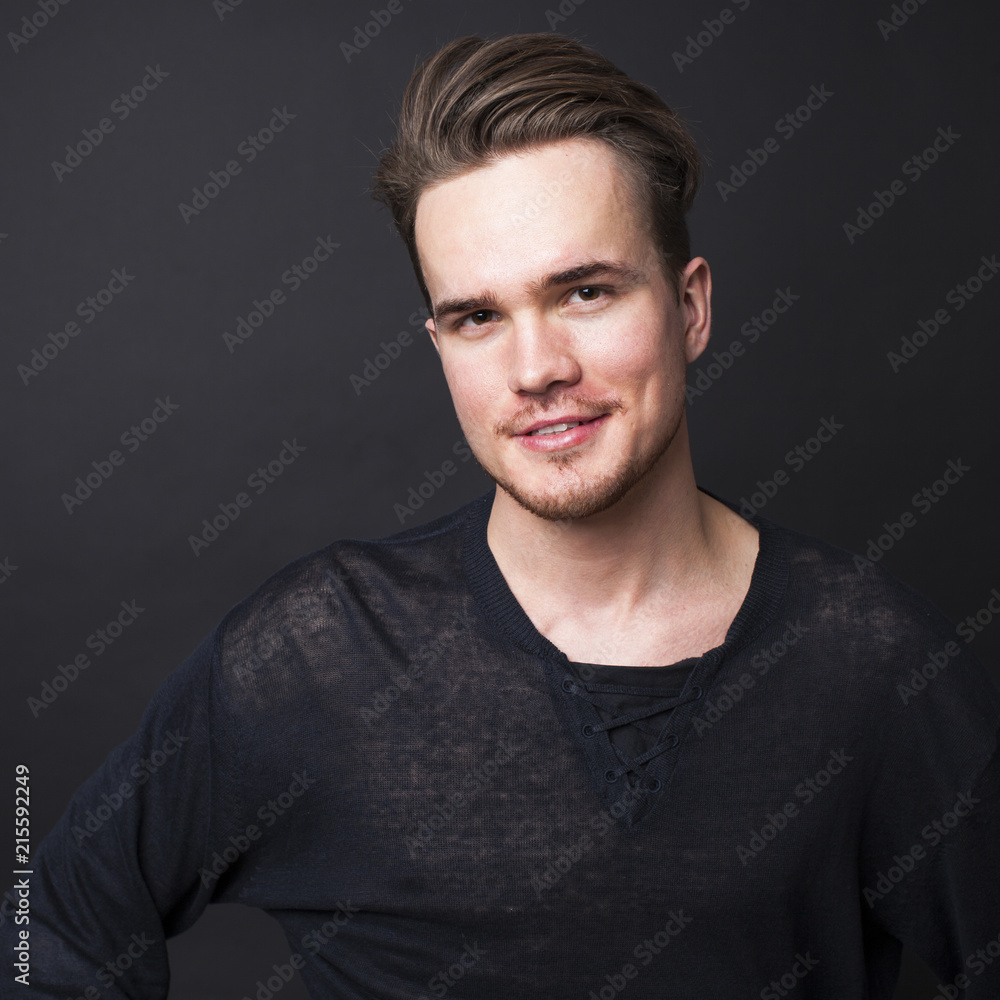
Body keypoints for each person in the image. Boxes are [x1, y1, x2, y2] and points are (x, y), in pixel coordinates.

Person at [4, 31, 999, 1000]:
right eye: (477, 317)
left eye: (585, 292)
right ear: (438, 340)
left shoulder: (876, 669)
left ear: (688, 308)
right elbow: (48, 931)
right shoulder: (318, 652)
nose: (535, 371)